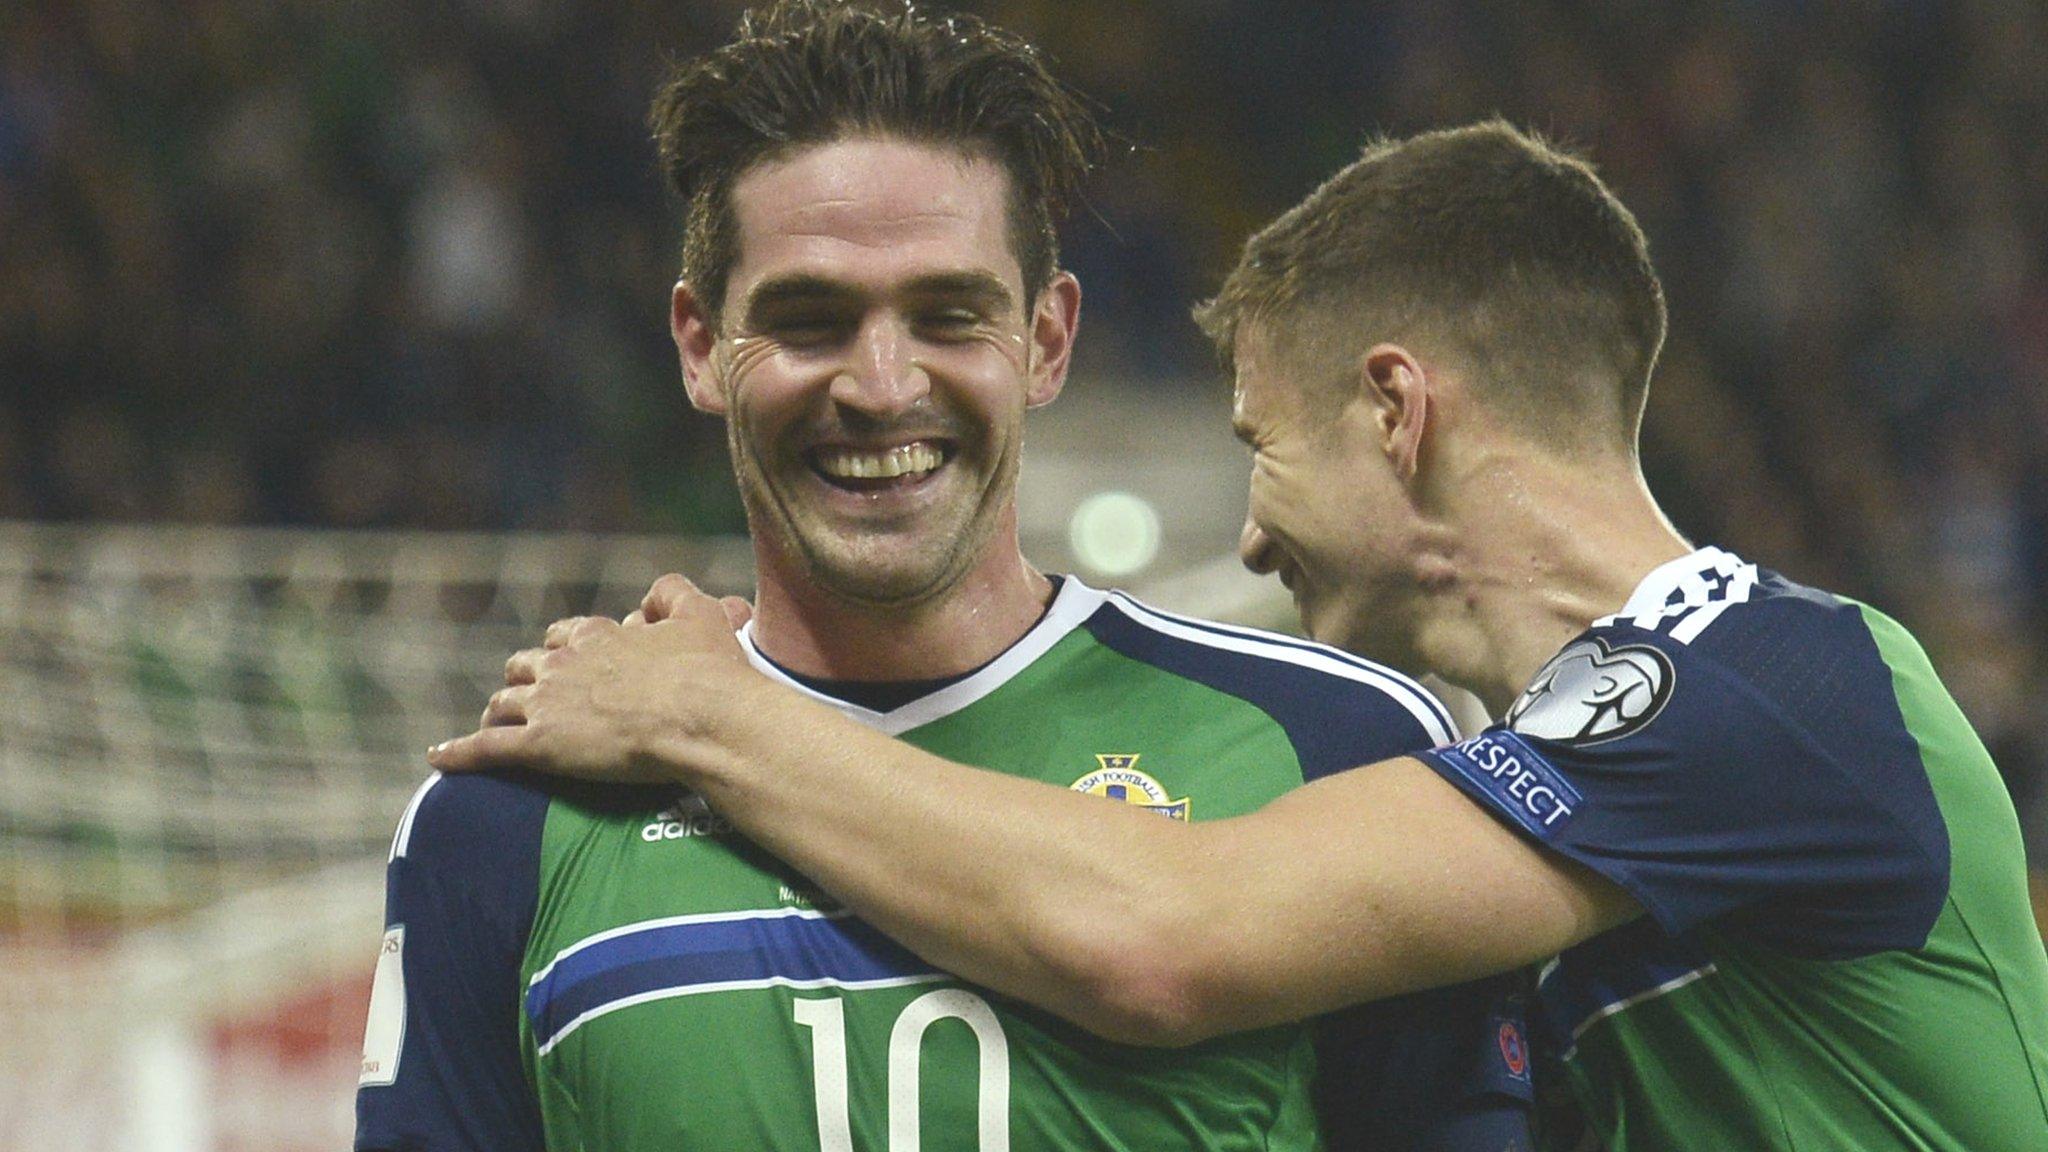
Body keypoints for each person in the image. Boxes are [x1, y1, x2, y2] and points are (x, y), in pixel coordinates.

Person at [435, 118, 2048, 1151]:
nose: (1255, 531)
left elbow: (1163, 935)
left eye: (1257, 445)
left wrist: (716, 714)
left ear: (1394, 411)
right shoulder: (1586, 760)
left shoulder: (1768, 683)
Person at [361, 5, 1537, 1149]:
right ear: (699, 347)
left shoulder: (1335, 747)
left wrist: (709, 717)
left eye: (947, 314)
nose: (880, 384)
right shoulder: (506, 823)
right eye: (810, 319)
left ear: (1045, 339)